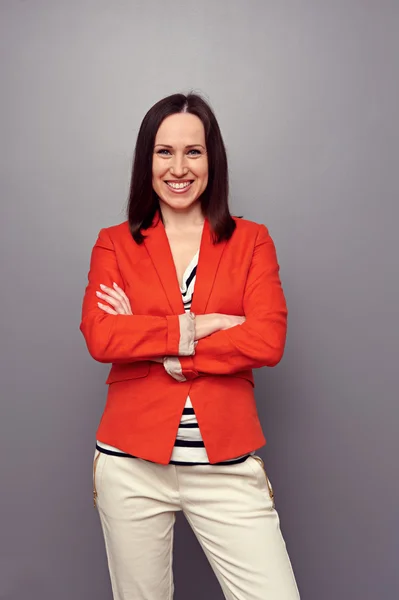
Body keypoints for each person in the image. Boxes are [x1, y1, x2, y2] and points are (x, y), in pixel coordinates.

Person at [80, 92, 300, 600]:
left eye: (193, 152)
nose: (179, 168)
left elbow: (267, 339)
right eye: (164, 152)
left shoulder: (252, 241)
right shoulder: (114, 243)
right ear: (147, 161)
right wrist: (197, 327)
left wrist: (161, 343)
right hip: (131, 463)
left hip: (224, 464)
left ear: (211, 159)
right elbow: (101, 335)